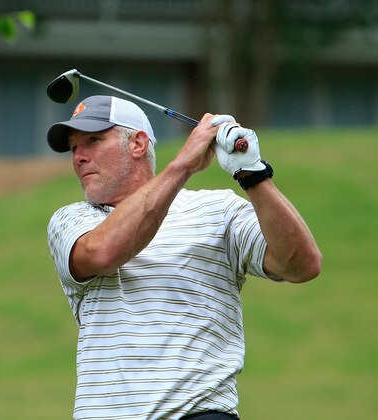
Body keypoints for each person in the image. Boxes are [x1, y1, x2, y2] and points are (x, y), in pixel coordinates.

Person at [46, 95, 322, 420]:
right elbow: (104, 253)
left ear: (137, 143)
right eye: (74, 147)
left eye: (93, 141)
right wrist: (183, 165)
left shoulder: (218, 210)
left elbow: (302, 265)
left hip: (199, 413)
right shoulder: (71, 220)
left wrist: (253, 174)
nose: (78, 157)